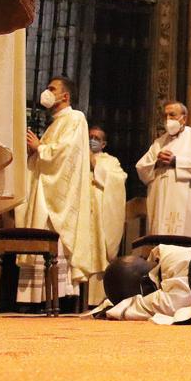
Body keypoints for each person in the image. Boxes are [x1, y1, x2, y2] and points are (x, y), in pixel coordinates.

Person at [16, 76, 103, 306]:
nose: (46, 92)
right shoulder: (55, 123)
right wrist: (35, 152)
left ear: (65, 96)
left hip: (58, 197)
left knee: (53, 241)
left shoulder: (75, 118)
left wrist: (40, 149)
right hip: (44, 192)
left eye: (52, 89)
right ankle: (37, 300)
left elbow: (67, 153)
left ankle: (55, 299)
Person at [136, 101, 191, 239]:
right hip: (160, 200)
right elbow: (141, 168)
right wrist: (156, 164)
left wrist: (176, 162)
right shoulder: (159, 143)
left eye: (172, 115)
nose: (168, 119)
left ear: (184, 118)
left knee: (182, 241)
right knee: (159, 241)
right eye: (165, 116)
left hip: (184, 201)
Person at [91, 244, 191, 324]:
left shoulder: (178, 261)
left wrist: (122, 309)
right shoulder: (160, 265)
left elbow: (173, 303)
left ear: (145, 286)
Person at [86, 126, 127, 305]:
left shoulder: (111, 161)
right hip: (79, 212)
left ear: (104, 143)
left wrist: (95, 165)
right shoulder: (76, 156)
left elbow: (118, 180)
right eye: (90, 137)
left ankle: (95, 300)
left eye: (96, 138)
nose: (92, 140)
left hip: (99, 215)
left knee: (97, 251)